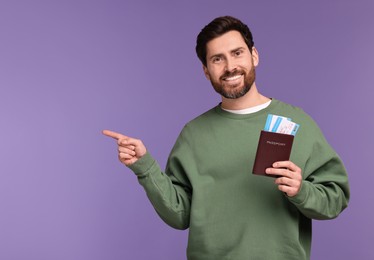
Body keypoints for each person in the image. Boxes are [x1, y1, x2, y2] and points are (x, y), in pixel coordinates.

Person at [103, 16, 350, 260]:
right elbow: (180, 215)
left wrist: (301, 190)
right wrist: (144, 166)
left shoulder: (298, 124)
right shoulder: (194, 134)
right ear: (206, 70)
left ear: (254, 55)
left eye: (237, 53)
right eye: (217, 59)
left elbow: (336, 199)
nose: (230, 66)